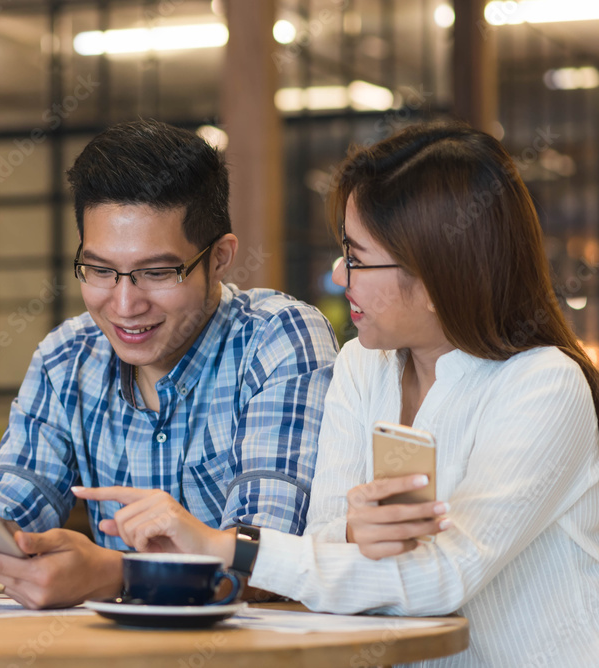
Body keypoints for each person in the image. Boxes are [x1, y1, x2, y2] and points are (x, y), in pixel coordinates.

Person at [78, 122, 599, 667]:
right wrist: (351, 531)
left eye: (357, 258)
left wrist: (223, 547)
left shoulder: (543, 385)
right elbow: (320, 536)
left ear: (438, 274)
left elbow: (441, 578)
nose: (337, 274)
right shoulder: (362, 366)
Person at [0, 119, 340, 608]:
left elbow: (268, 559)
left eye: (157, 272)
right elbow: (11, 503)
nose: (123, 304)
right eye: (99, 270)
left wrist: (116, 575)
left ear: (221, 258)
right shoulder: (66, 357)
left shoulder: (277, 339)